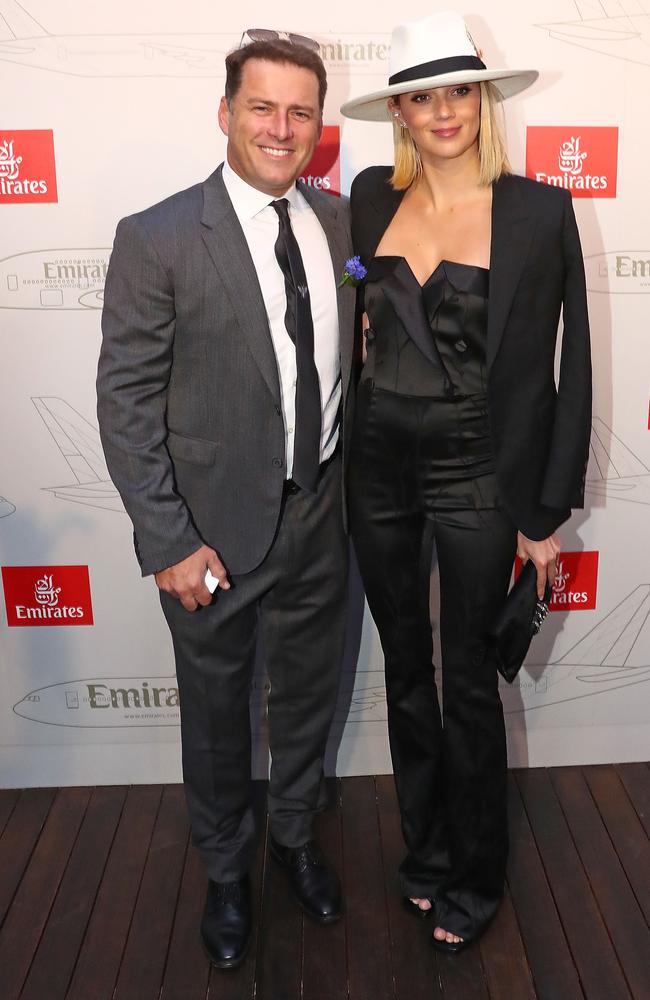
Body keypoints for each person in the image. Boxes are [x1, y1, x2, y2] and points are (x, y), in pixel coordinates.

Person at [97, 33, 356, 970]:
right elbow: (124, 405)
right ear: (226, 113)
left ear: (318, 125)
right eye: (263, 107)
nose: (281, 128)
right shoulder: (158, 235)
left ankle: (291, 839)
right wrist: (168, 538)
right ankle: (223, 871)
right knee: (214, 718)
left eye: (300, 111)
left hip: (321, 515)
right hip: (209, 536)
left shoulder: (338, 226)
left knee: (305, 706)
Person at [341, 11, 591, 952]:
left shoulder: (539, 211)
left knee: (471, 687)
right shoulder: (369, 198)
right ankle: (430, 851)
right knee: (407, 670)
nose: (441, 111)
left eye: (457, 91)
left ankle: (477, 881)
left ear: (480, 101)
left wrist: (544, 511)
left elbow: (573, 370)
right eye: (420, 95)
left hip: (482, 471)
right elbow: (358, 299)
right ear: (399, 112)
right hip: (377, 470)